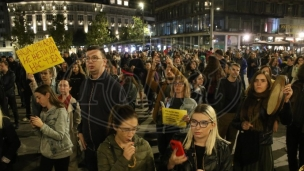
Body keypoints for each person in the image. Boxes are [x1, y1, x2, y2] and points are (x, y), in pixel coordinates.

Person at [232, 70, 293, 171]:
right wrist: (242, 125)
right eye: (256, 80)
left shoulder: (273, 101)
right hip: (244, 145)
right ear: (252, 83)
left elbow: (287, 121)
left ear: (268, 84)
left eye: (263, 81)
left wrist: (286, 101)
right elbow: (234, 122)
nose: (259, 83)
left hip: (262, 147)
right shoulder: (245, 99)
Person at [78, 46, 126, 171]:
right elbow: (83, 112)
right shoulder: (84, 84)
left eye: (95, 58)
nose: (90, 62)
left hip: (109, 150)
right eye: (87, 58)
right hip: (89, 149)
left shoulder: (115, 87)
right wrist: (80, 131)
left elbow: (125, 120)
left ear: (104, 62)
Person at [160, 104, 232, 171]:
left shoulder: (222, 148)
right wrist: (171, 163)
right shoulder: (179, 139)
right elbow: (161, 168)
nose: (197, 127)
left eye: (204, 123)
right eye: (194, 121)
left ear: (213, 125)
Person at [97, 105, 155, 171]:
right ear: (115, 126)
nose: (130, 134)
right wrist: (124, 159)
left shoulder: (144, 145)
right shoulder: (105, 149)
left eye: (134, 129)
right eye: (126, 129)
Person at [30, 85, 73, 171]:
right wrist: (36, 127)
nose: (37, 101)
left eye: (39, 97)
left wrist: (42, 125)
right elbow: (43, 136)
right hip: (47, 152)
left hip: (61, 152)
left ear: (47, 95)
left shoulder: (60, 111)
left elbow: (60, 135)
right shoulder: (43, 112)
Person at [156, 74, 197, 157]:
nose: (177, 86)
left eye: (180, 84)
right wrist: (162, 113)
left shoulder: (192, 103)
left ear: (185, 86)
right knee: (166, 158)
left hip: (181, 136)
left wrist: (189, 120)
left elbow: (196, 122)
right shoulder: (168, 100)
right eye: (175, 83)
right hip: (166, 134)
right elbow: (162, 120)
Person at [214, 63, 243, 152]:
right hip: (224, 114)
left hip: (235, 115)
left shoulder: (239, 83)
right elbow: (218, 98)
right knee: (220, 137)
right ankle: (219, 155)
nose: (235, 72)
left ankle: (228, 157)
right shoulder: (222, 82)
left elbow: (242, 98)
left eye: (237, 70)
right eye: (233, 69)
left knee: (232, 138)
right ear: (229, 70)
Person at [58, 80, 81, 171]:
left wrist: (73, 130)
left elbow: (77, 119)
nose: (62, 87)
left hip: (70, 135)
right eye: (60, 85)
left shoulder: (74, 102)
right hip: (57, 134)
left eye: (65, 85)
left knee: (71, 158)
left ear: (70, 88)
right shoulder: (55, 100)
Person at [287, 64, 304, 171]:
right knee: (291, 154)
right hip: (293, 125)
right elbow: (288, 103)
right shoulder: (296, 85)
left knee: (303, 157)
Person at [0, 61, 19, 129]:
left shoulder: (11, 73)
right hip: (2, 95)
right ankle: (7, 123)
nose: (0, 67)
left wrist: (3, 88)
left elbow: (11, 84)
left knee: (14, 109)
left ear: (6, 66)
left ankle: (17, 122)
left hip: (10, 94)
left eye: (2, 66)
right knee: (5, 110)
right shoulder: (1, 74)